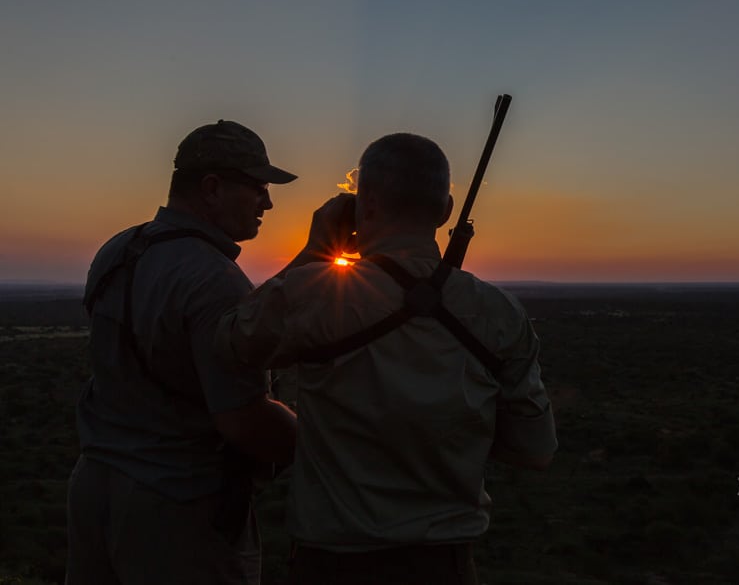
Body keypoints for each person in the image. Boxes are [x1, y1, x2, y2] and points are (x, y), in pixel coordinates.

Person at [215, 132, 558, 585]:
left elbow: (229, 343)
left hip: (331, 566)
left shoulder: (313, 296)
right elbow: (535, 450)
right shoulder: (500, 315)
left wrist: (315, 249)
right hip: (447, 568)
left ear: (366, 205)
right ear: (446, 211)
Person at [66, 120, 300, 585]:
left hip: (94, 487)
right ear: (212, 188)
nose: (268, 203)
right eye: (258, 188)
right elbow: (244, 422)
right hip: (177, 511)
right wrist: (323, 441)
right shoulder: (213, 278)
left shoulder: (119, 250)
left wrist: (312, 255)